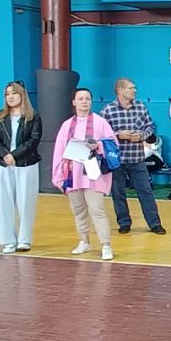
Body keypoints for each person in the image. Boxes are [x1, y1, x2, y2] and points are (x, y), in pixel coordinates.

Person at [51, 87, 118, 261]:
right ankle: (84, 241)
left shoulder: (100, 122)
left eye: (87, 98)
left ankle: (106, 245)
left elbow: (113, 143)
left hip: (93, 174)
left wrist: (98, 145)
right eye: (80, 98)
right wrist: (58, 176)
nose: (84, 101)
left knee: (97, 210)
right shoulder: (67, 125)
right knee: (78, 210)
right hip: (73, 175)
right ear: (74, 102)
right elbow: (59, 151)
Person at [101, 78, 166, 236]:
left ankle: (155, 223)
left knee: (146, 191)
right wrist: (118, 135)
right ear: (120, 90)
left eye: (134, 88)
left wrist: (142, 136)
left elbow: (150, 126)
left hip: (137, 158)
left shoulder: (141, 107)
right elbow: (101, 133)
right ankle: (124, 223)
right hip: (117, 160)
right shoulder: (108, 110)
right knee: (118, 193)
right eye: (131, 88)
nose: (134, 90)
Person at [0, 81, 42, 253]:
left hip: (26, 164)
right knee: (4, 201)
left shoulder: (33, 116)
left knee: (26, 202)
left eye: (14, 93)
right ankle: (8, 240)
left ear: (22, 95)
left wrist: (15, 155)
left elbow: (33, 140)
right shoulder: (0, 116)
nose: (10, 97)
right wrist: (5, 155)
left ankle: (24, 239)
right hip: (3, 164)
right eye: (7, 94)